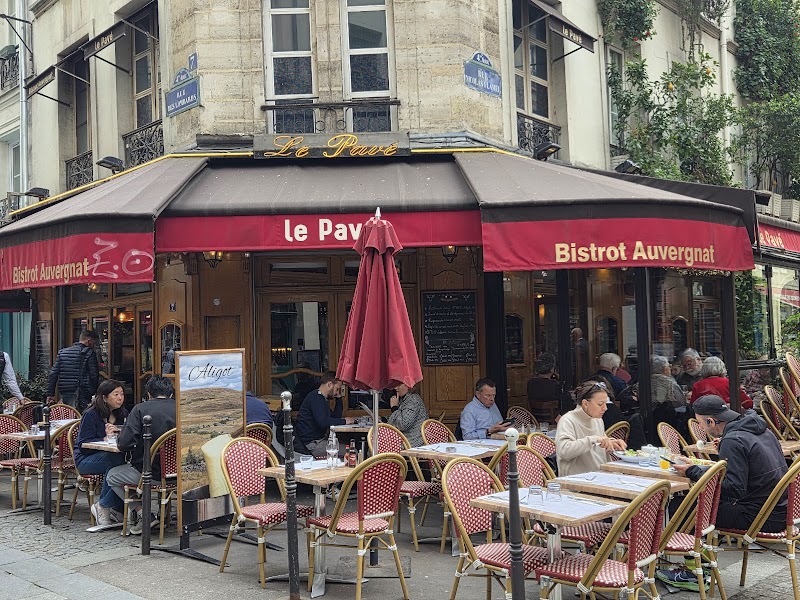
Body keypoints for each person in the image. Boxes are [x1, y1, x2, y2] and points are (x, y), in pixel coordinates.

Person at [673, 394, 787, 532]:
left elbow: (734, 489)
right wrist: (719, 450)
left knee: (680, 506)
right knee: (705, 503)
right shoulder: (763, 431)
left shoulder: (733, 440)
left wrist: (692, 471)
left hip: (760, 517)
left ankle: (696, 551)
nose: (701, 428)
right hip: (781, 510)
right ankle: (706, 548)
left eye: (700, 423)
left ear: (711, 421)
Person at [95, 375, 177, 533]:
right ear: (171, 394)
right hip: (180, 474)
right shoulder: (181, 408)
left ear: (149, 394)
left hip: (150, 474)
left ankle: (143, 514)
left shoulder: (140, 409)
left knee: (112, 475)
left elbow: (124, 443)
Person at [76, 380, 128, 525]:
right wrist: (103, 438)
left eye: (122, 394)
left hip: (112, 454)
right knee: (114, 461)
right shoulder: (91, 415)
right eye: (115, 394)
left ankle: (116, 508)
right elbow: (83, 445)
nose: (120, 398)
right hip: (86, 460)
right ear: (104, 397)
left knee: (123, 461)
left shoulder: (123, 414)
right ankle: (103, 506)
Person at [555, 380, 626, 476]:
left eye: (606, 403)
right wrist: (594, 439)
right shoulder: (568, 420)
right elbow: (564, 451)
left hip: (600, 476)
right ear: (585, 404)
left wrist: (611, 442)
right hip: (576, 482)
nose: (605, 408)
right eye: (600, 404)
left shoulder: (597, 419)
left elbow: (599, 443)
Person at [296, 371, 354, 456]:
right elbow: (323, 422)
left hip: (317, 441)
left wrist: (338, 399)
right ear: (330, 384)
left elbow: (334, 417)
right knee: (352, 451)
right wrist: (344, 421)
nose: (337, 392)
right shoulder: (316, 398)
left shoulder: (320, 398)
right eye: (337, 389)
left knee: (347, 445)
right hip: (312, 444)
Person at [46, 330, 100, 412]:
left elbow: (53, 374)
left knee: (68, 415)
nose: (94, 345)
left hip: (65, 392)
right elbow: (94, 375)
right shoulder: (89, 353)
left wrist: (50, 393)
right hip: (82, 392)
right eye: (94, 343)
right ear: (89, 341)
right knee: (81, 418)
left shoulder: (62, 353)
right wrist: (93, 391)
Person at [689, 356, 753, 410]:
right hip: (729, 420)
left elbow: (692, 407)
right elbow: (749, 403)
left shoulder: (697, 385)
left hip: (705, 422)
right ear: (722, 368)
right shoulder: (729, 383)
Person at [387, 383, 428, 447]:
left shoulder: (413, 400)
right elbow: (402, 415)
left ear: (408, 385)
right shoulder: (406, 399)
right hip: (407, 440)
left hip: (413, 443)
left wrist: (394, 408)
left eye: (399, 385)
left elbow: (403, 424)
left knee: (377, 443)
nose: (395, 388)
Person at [526, 352, 561, 419]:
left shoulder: (531, 383)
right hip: (554, 420)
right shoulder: (555, 385)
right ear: (551, 369)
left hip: (536, 420)